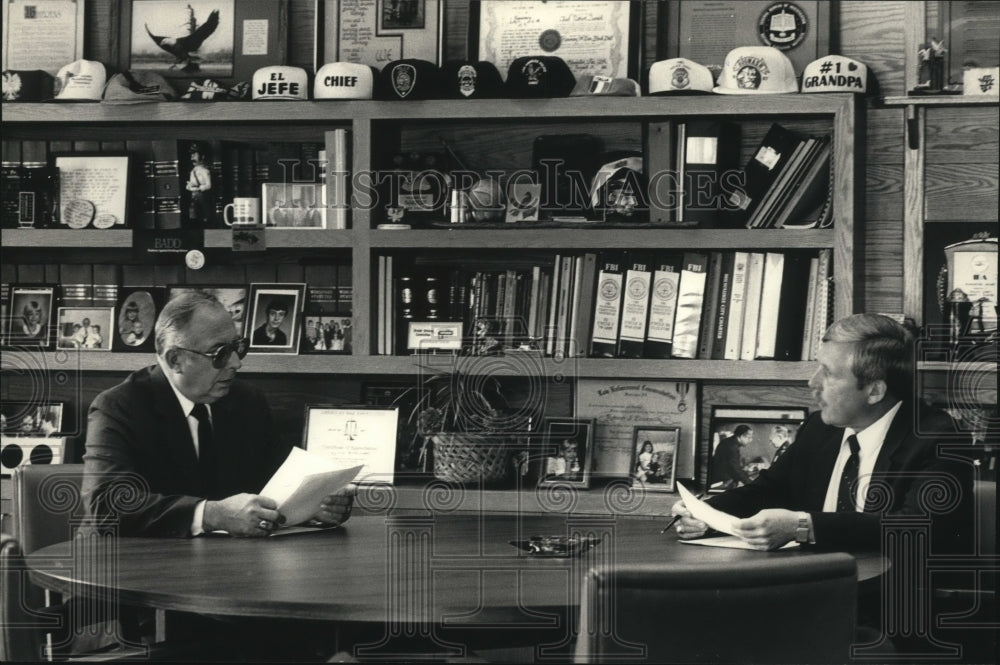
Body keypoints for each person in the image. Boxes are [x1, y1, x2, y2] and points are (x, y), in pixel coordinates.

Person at [672, 313, 973, 554]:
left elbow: (915, 529)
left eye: (828, 373)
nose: (812, 383)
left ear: (874, 390)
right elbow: (766, 491)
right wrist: (706, 513)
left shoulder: (939, 438)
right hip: (808, 589)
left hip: (889, 606)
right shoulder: (819, 428)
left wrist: (804, 526)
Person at [82, 291, 353, 537]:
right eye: (220, 353)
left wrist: (315, 507)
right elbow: (108, 504)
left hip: (221, 568)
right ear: (175, 359)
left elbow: (280, 485)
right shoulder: (118, 408)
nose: (237, 362)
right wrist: (211, 515)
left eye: (237, 347)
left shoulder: (248, 403)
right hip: (122, 572)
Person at [711, 424, 754, 490]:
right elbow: (735, 469)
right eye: (749, 438)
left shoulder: (730, 442)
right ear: (741, 436)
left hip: (722, 477)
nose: (750, 440)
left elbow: (733, 465)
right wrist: (750, 483)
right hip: (723, 482)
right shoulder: (732, 446)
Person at [185, 142, 213, 225]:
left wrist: (199, 188)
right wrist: (189, 186)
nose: (192, 158)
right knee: (194, 216)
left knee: (205, 215)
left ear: (202, 156)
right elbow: (190, 184)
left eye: (195, 155)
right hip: (194, 198)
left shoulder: (205, 171)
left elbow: (208, 185)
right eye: (191, 155)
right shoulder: (192, 171)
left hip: (203, 197)